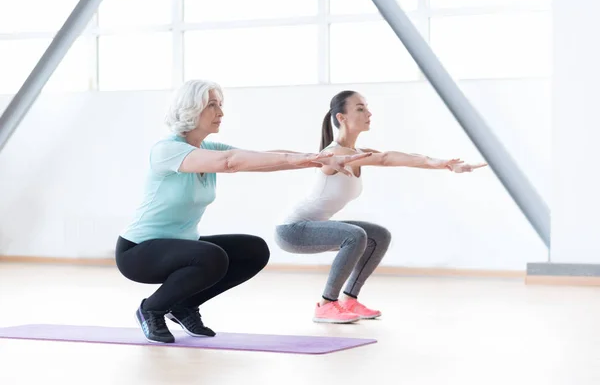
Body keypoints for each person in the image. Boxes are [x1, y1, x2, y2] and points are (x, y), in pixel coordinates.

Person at [115, 81, 370, 343]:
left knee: (253, 250)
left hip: (179, 246)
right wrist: (307, 159)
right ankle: (151, 309)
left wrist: (317, 158)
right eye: (212, 105)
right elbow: (231, 162)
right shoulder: (167, 150)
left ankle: (183, 306)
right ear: (190, 108)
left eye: (220, 105)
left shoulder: (208, 149)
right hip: (138, 251)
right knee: (211, 256)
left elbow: (255, 158)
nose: (220, 112)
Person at [274, 90, 487, 324]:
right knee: (355, 235)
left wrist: (442, 164)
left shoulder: (356, 154)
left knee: (379, 236)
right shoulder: (333, 154)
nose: (369, 113)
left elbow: (390, 157)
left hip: (314, 225)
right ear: (341, 118)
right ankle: (326, 304)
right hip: (292, 230)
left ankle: (349, 300)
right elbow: (376, 159)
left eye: (367, 107)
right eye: (360, 108)